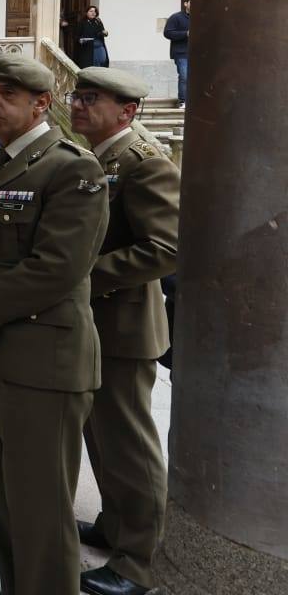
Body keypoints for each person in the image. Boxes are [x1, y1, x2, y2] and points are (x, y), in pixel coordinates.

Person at [0, 55, 109, 595]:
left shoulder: (71, 167)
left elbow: (57, 269)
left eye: (7, 94)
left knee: (41, 505)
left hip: (43, 360)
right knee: (6, 494)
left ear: (42, 103)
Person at [68, 67, 179, 595]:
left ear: (127, 110)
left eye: (92, 99)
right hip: (95, 324)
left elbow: (166, 247)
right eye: (77, 96)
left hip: (124, 325)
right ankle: (114, 526)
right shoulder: (97, 156)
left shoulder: (142, 162)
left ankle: (138, 563)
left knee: (129, 445)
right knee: (101, 436)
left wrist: (82, 280)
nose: (79, 105)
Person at [163, 0, 191, 108]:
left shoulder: (202, 17)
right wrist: (185, 34)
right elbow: (167, 33)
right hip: (181, 53)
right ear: (185, 4)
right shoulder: (176, 17)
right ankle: (182, 101)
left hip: (199, 54)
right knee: (184, 76)